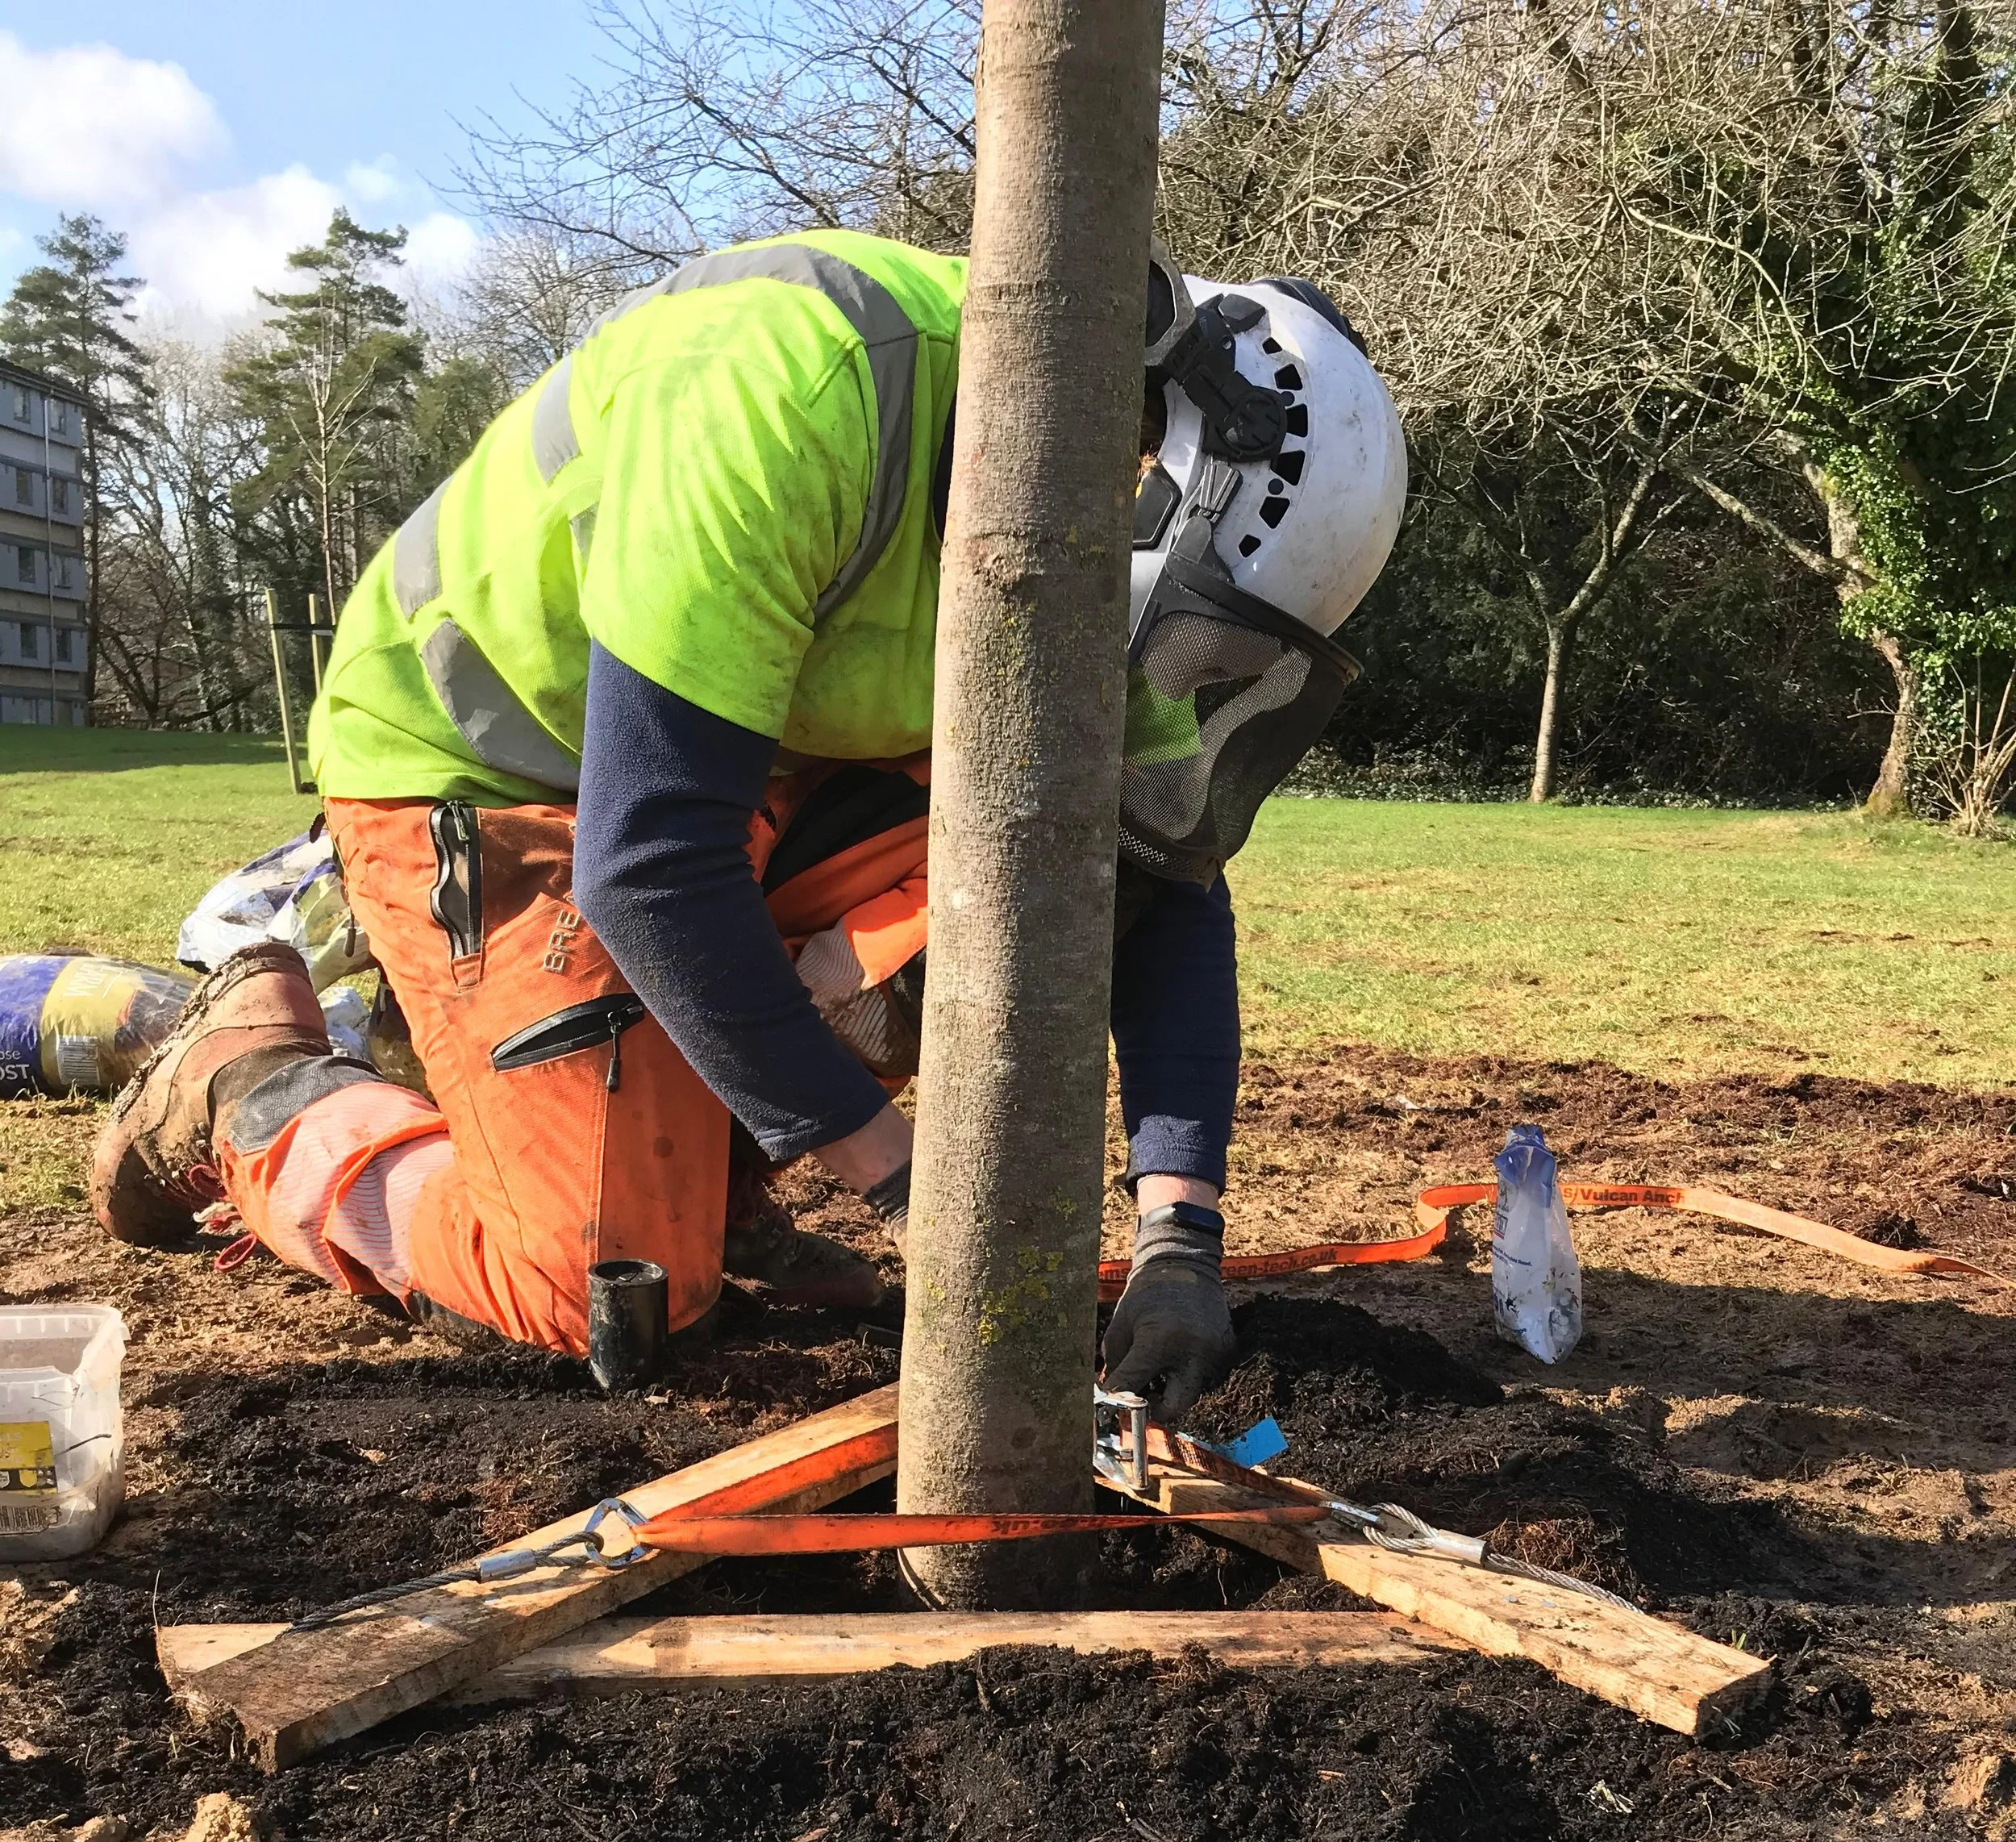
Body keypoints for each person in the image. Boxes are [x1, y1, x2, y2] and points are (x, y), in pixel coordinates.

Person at [91, 231, 1405, 1419]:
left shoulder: (1106, 553)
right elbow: (653, 863)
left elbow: (1158, 878)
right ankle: (251, 1089)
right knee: (607, 1291)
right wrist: (906, 1189)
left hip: (766, 769)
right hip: (504, 779)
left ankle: (714, 1178)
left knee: (1060, 883)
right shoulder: (789, 392)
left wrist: (1182, 1238)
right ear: (1136, 490)